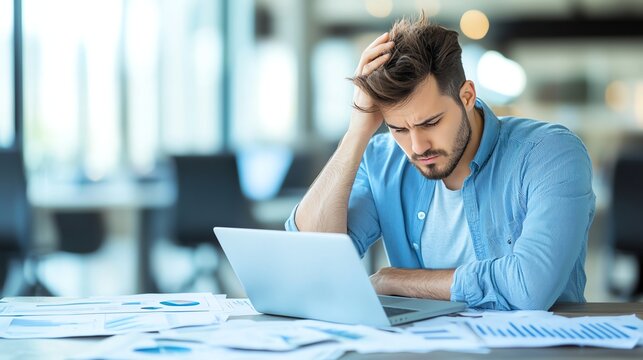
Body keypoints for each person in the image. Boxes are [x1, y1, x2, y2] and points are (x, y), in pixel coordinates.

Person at [285, 15, 595, 310]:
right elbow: (313, 263)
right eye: (399, 129)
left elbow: (530, 286)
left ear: (467, 96)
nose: (417, 147)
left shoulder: (549, 153)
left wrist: (397, 280)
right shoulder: (382, 161)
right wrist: (356, 133)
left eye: (431, 122)